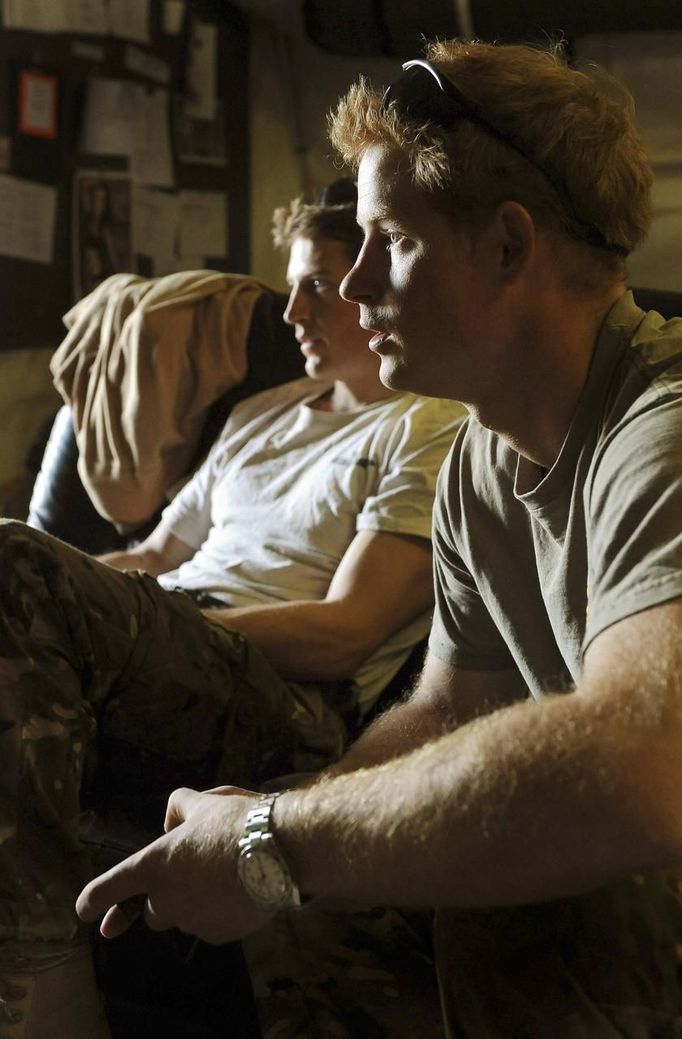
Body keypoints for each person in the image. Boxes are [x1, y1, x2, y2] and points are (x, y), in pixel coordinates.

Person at [78, 39, 682, 1036]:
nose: (354, 286)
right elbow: (444, 711)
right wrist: (266, 820)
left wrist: (272, 838)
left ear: (506, 247)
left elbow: (639, 770)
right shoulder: (484, 455)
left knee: (531, 887)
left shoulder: (658, 428)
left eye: (387, 239)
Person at [0, 182, 464, 1038]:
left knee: (17, 558)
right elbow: (146, 558)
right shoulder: (259, 413)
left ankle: (44, 991)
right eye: (291, 285)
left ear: (374, 287)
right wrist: (69, 602)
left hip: (285, 691)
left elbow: (347, 629)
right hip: (165, 630)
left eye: (317, 285)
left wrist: (110, 616)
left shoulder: (427, 425)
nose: (292, 311)